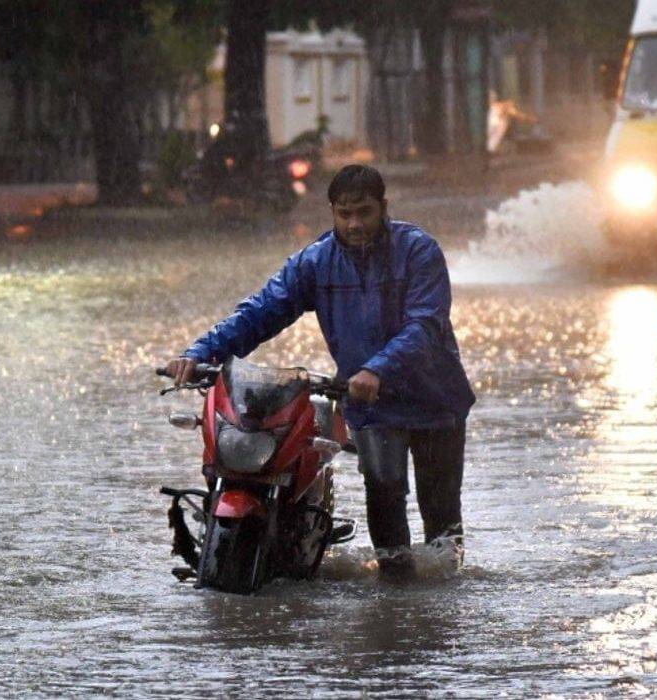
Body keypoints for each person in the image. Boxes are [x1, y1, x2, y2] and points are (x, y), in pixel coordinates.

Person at [165, 165, 475, 579]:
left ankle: (443, 606)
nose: (355, 224)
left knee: (440, 515)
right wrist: (200, 352)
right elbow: (260, 311)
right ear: (332, 212)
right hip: (371, 405)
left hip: (434, 400)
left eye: (364, 212)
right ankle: (396, 594)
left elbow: (425, 324)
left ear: (384, 208)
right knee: (384, 497)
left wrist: (376, 369)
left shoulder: (419, 251)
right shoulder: (316, 261)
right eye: (344, 214)